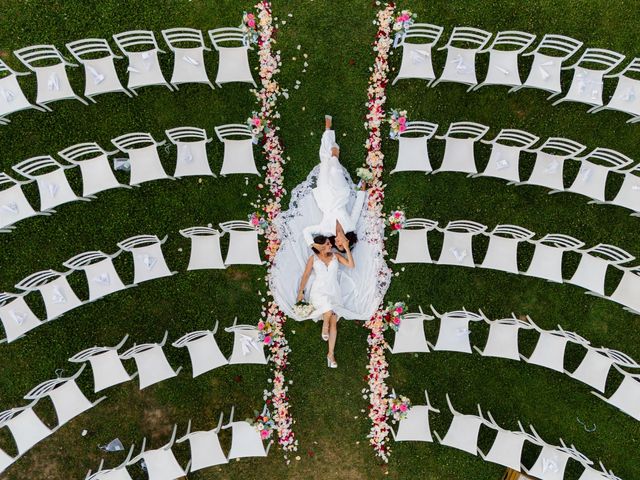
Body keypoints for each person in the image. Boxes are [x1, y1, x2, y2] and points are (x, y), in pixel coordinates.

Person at [302, 115, 365, 252]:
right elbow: (357, 209)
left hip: (325, 195)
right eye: (341, 245)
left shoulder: (325, 231)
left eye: (337, 245)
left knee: (325, 162)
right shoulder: (350, 226)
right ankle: (334, 151)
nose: (337, 243)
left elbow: (306, 231)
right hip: (340, 192)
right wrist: (362, 191)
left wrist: (313, 245)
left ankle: (328, 129)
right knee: (335, 164)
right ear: (347, 240)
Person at [296, 231, 355, 368]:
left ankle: (330, 354)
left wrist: (346, 248)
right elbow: (305, 275)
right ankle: (324, 326)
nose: (331, 244)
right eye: (328, 243)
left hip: (334, 291)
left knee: (334, 322)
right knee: (328, 307)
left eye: (330, 243)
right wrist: (301, 292)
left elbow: (351, 265)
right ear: (321, 246)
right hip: (319, 291)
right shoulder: (313, 258)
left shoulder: (336, 256)